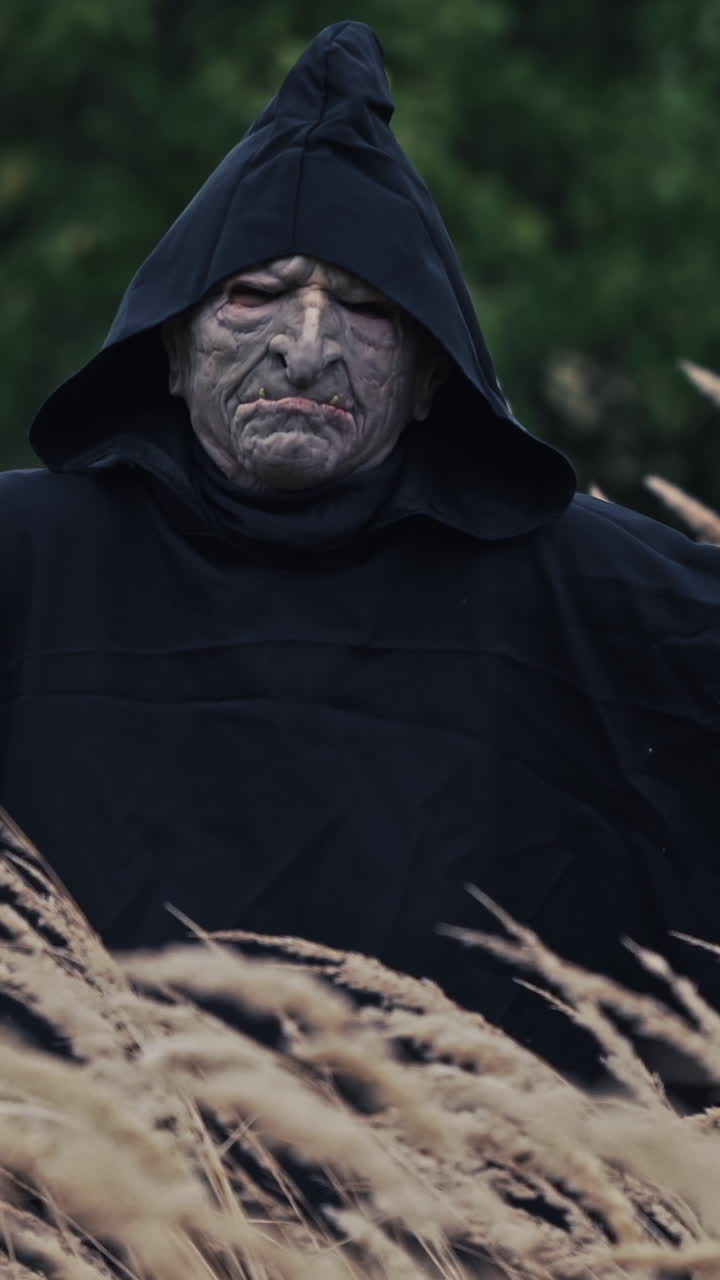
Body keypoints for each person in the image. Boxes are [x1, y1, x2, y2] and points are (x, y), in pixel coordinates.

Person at [3, 21, 720, 1082]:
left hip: (466, 1183)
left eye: (366, 309)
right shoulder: (24, 560)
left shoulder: (584, 585)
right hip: (90, 1173)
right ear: (171, 346)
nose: (306, 346)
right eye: (255, 294)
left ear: (431, 375)